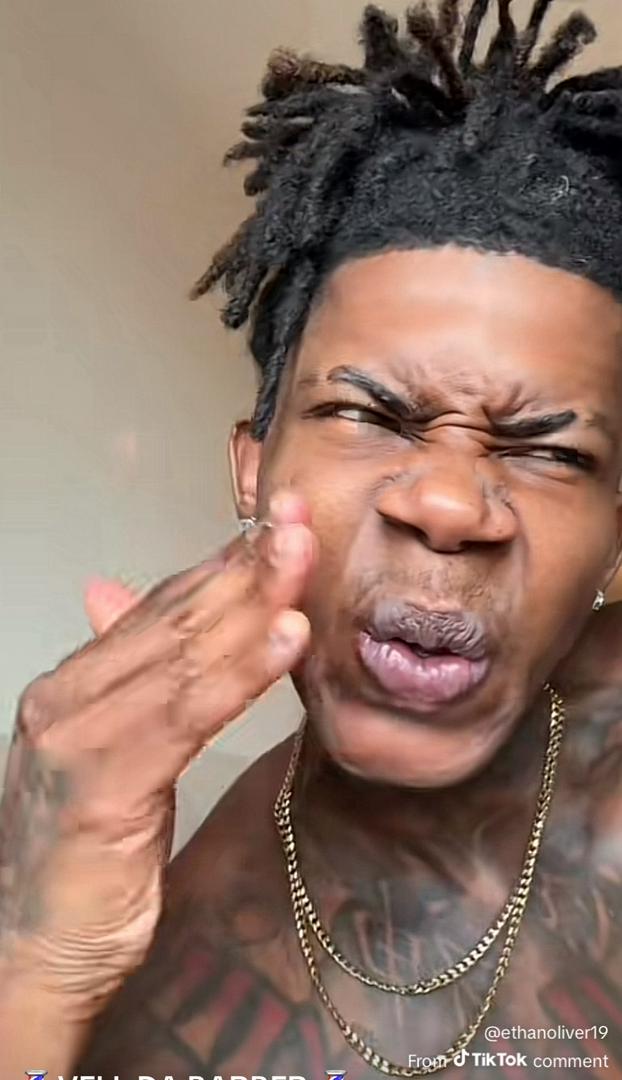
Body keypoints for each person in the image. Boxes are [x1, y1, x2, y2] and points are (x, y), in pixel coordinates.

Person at [2, 1, 622, 1077]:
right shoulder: (136, 926)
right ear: (254, 468)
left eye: (553, 454)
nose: (448, 507)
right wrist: (41, 963)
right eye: (368, 414)